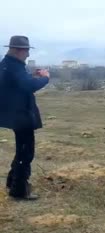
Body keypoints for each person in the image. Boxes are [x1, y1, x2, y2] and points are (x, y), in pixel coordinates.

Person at [0, 36, 49, 200]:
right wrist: (45, 78)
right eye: (26, 50)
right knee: (26, 153)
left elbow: (21, 83)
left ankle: (12, 182)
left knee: (22, 150)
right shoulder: (14, 67)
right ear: (18, 50)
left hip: (16, 114)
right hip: (21, 116)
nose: (28, 54)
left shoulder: (8, 65)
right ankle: (19, 191)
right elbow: (29, 86)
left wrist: (31, 77)